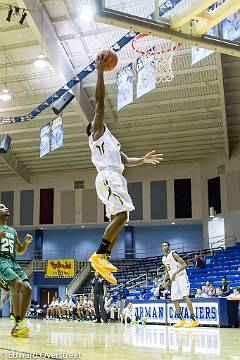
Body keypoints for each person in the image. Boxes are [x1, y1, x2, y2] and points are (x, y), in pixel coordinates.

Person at [87, 54, 163, 284]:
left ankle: (104, 257)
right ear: (92, 129)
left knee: (123, 217)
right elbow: (99, 101)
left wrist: (144, 160)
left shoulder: (110, 140)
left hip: (114, 176)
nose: (97, 118)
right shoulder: (97, 133)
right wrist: (99, 71)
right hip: (108, 177)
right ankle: (99, 255)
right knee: (121, 215)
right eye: (94, 120)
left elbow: (126, 160)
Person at [0, 203, 32, 337]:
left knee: (28, 288)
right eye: (2, 207)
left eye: (7, 206)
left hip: (13, 262)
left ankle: (18, 325)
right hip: (1, 261)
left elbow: (19, 251)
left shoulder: (13, 231)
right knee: (17, 284)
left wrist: (26, 243)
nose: (6, 208)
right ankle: (18, 323)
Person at [162, 242, 199, 328]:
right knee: (174, 299)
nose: (164, 247)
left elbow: (184, 265)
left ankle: (194, 320)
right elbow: (167, 271)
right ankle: (181, 320)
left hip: (181, 277)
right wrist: (164, 280)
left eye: (166, 245)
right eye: (163, 246)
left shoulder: (173, 254)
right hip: (174, 280)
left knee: (185, 296)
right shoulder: (164, 258)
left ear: (169, 246)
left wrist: (174, 273)